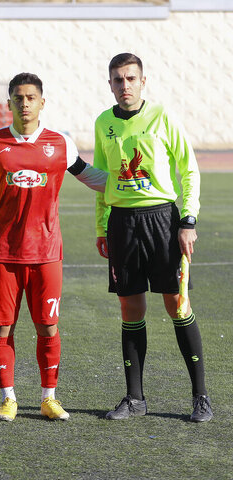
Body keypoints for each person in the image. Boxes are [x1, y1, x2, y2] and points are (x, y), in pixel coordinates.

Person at [0, 73, 107, 422]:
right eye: (18, 98)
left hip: (47, 252)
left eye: (31, 97)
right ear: (8, 103)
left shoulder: (60, 143)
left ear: (42, 102)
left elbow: (89, 176)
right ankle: (8, 398)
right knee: (3, 327)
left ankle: (49, 398)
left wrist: (129, 186)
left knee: (48, 327)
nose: (24, 103)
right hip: (4, 253)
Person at [93, 53, 211, 422]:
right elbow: (100, 178)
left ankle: (200, 397)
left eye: (130, 79)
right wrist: (101, 226)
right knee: (131, 309)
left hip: (162, 219)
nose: (124, 86)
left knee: (177, 305)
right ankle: (135, 398)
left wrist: (188, 220)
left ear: (143, 81)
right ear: (110, 83)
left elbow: (188, 169)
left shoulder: (162, 117)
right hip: (122, 224)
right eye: (117, 80)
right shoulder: (103, 123)